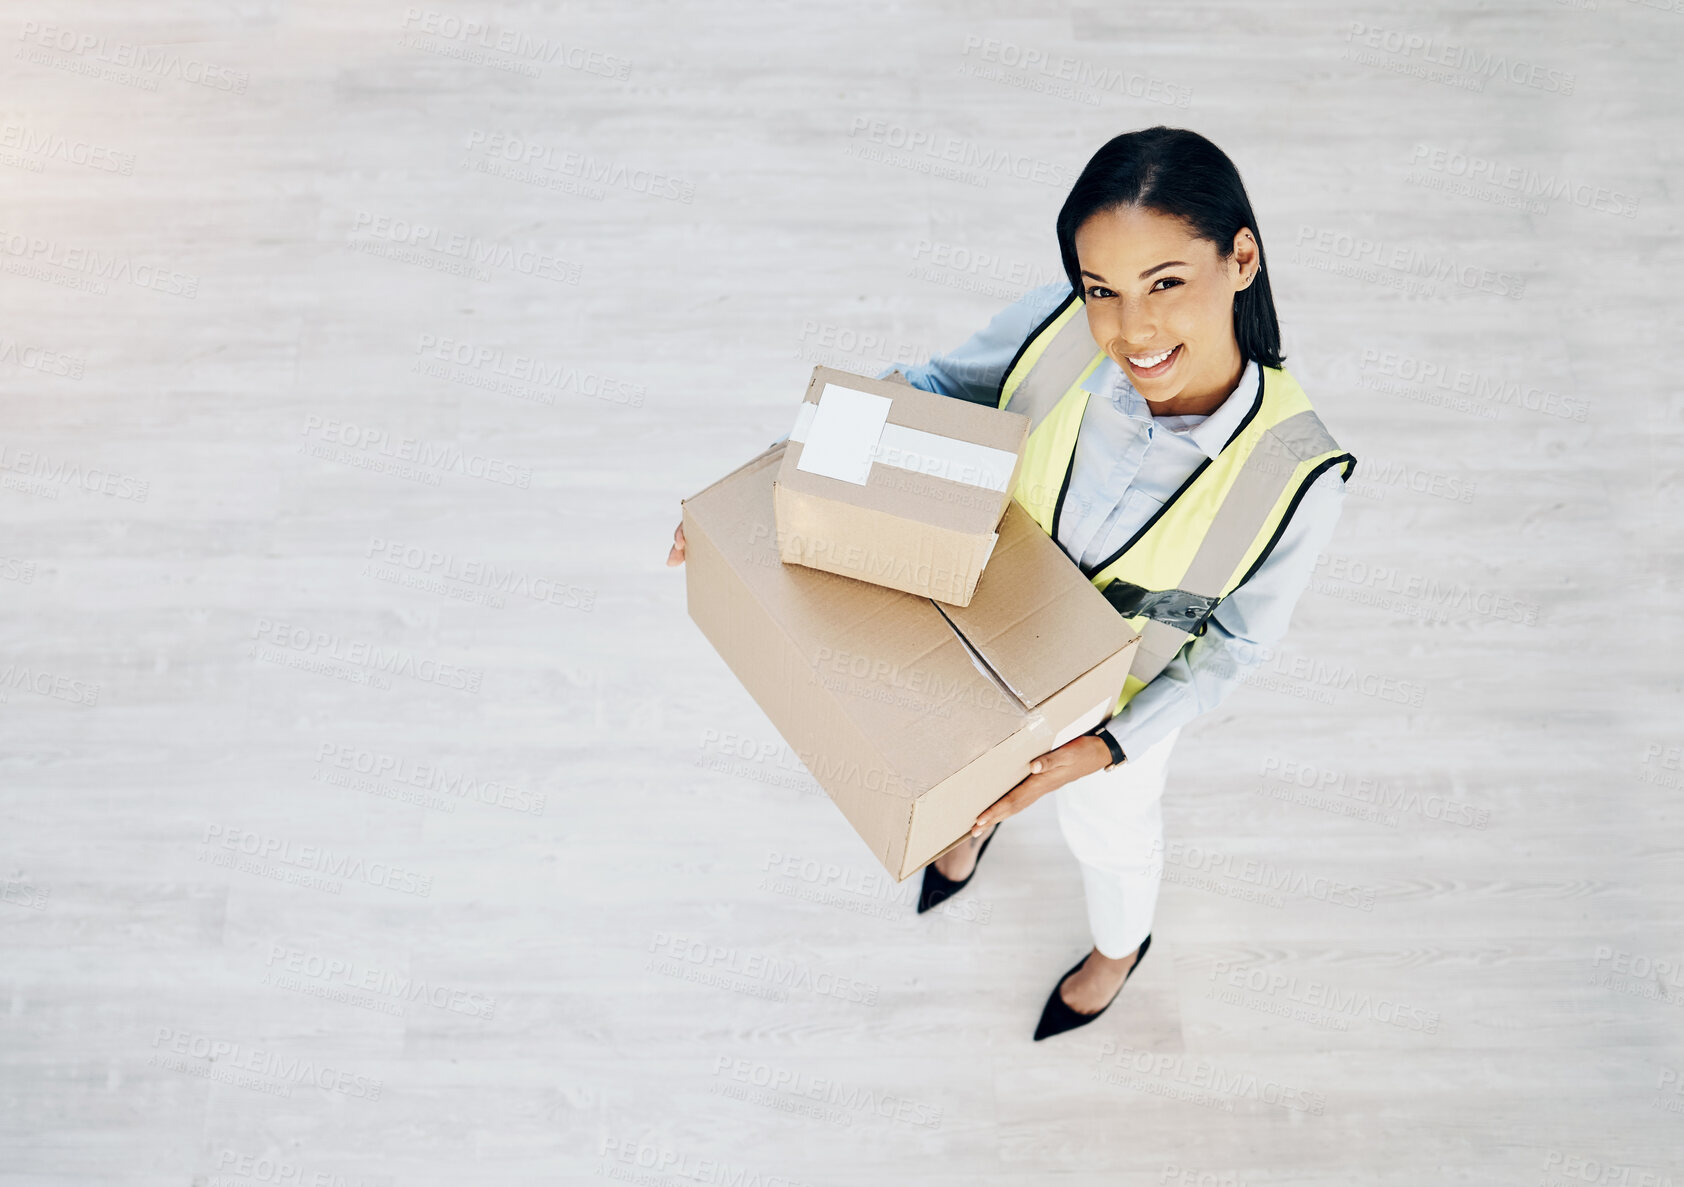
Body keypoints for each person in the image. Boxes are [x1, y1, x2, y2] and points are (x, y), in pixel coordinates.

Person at [668, 126, 1357, 1041]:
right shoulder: (1059, 333)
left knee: (1110, 838)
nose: (1132, 330)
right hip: (979, 624)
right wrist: (779, 482)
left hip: (1117, 706)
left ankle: (1120, 948)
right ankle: (972, 827)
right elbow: (933, 385)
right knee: (959, 771)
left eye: (1165, 284)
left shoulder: (1299, 470)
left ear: (1241, 259)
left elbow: (1237, 647)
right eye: (1102, 289)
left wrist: (1106, 749)